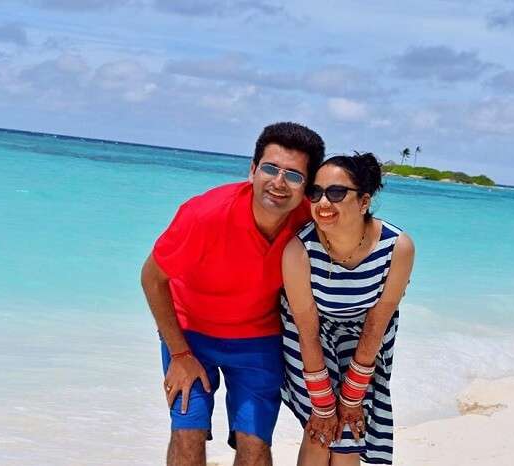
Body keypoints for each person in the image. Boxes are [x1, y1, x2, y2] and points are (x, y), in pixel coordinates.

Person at [141, 122, 325, 466]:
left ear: (307, 187)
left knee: (254, 446)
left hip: (257, 338)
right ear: (253, 170)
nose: (279, 182)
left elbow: (357, 232)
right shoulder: (204, 215)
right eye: (270, 169)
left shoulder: (308, 221)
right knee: (187, 432)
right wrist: (180, 355)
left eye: (294, 176)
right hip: (190, 333)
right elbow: (152, 278)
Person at [280, 153, 414, 465]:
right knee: (321, 429)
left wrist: (352, 396)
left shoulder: (397, 247)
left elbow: (379, 318)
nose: (323, 202)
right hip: (309, 333)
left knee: (350, 434)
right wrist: (324, 403)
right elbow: (306, 329)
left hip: (365, 332)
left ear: (364, 202)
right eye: (316, 192)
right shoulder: (299, 249)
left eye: (337, 193)